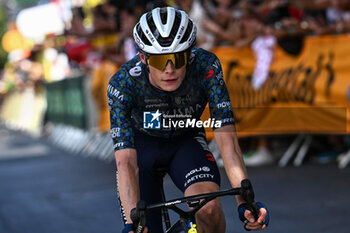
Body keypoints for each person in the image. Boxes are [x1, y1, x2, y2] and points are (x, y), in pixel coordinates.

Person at [107, 7, 269, 233]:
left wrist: (245, 201)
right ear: (143, 58)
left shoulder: (206, 66)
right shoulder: (123, 83)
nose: (170, 70)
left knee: (209, 209)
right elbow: (125, 162)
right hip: (142, 149)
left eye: (178, 57)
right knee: (143, 229)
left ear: (190, 53)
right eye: (160, 61)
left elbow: (227, 140)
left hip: (185, 140)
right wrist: (131, 224)